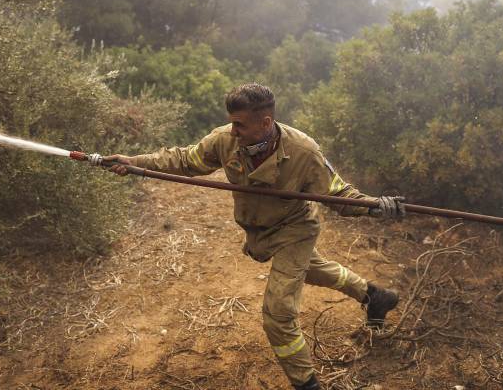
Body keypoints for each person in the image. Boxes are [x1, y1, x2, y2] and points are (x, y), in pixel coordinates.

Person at [103, 83, 407, 390]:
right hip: (259, 231)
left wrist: (374, 208)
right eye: (232, 122)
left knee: (278, 314)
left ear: (265, 123)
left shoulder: (304, 151)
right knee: (312, 269)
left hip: (294, 229)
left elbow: (338, 193)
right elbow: (185, 160)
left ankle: (306, 384)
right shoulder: (224, 139)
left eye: (240, 124)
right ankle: (376, 297)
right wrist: (134, 162)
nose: (233, 131)